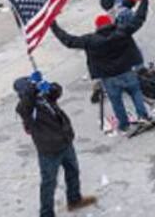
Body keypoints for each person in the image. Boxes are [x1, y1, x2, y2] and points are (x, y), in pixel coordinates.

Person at [50, 0, 150, 133]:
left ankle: (124, 125)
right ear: (110, 23)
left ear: (97, 27)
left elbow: (68, 41)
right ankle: (143, 116)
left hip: (109, 78)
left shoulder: (90, 40)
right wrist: (144, 1)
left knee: (117, 102)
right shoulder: (123, 32)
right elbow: (139, 19)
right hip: (127, 70)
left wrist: (53, 25)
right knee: (135, 93)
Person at [14, 72, 97, 217]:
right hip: (49, 151)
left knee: (73, 171)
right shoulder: (25, 108)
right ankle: (46, 213)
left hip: (65, 142)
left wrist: (50, 87)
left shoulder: (43, 97)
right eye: (29, 86)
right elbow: (26, 102)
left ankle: (74, 200)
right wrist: (32, 88)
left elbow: (57, 92)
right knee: (49, 183)